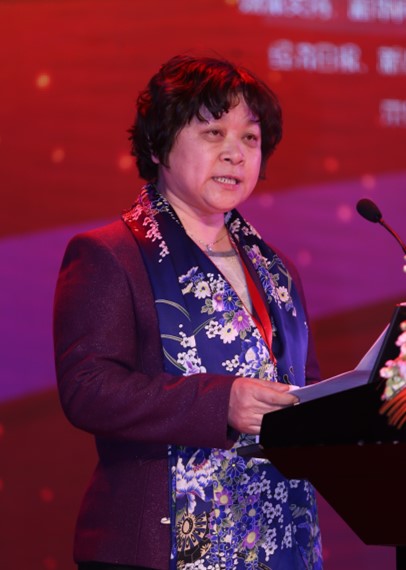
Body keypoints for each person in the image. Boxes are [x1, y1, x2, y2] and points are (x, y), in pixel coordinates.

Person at [53, 54, 323, 570]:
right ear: (158, 145)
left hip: (280, 539)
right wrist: (221, 403)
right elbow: (88, 389)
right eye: (213, 132)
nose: (235, 153)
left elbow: (302, 388)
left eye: (249, 138)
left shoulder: (276, 269)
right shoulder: (111, 254)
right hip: (163, 548)